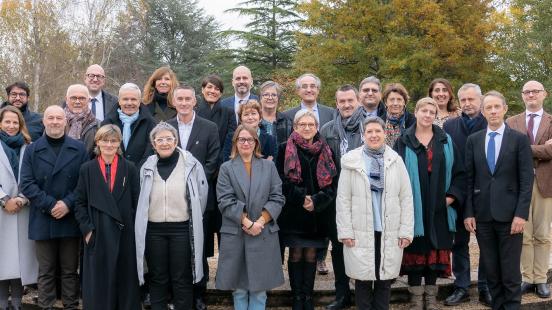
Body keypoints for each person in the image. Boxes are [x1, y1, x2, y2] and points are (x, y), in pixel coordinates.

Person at [464, 91, 533, 310]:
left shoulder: (519, 139)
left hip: (511, 217)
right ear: (483, 112)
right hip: (483, 216)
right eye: (488, 108)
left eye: (497, 107)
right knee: (492, 271)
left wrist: (521, 214)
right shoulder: (473, 140)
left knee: (510, 273)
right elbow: (469, 179)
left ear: (504, 109)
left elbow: (526, 180)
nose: (493, 111)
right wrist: (468, 212)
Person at [394, 97, 465, 310]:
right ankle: (416, 298)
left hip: (440, 206)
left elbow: (459, 173)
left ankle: (431, 298)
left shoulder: (445, 140)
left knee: (435, 251)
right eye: (423, 110)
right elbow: (395, 174)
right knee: (416, 249)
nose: (427, 115)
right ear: (415, 112)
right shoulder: (403, 140)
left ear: (436, 115)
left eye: (431, 112)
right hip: (412, 206)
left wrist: (450, 197)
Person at [337, 116, 414, 310]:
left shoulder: (395, 160)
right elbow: (343, 199)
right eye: (369, 131)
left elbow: (406, 197)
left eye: (377, 131)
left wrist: (406, 231)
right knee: (362, 280)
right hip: (360, 229)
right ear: (363, 135)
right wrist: (345, 230)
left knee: (384, 279)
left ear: (384, 133)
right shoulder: (351, 161)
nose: (373, 135)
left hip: (389, 229)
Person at [20, 105, 89, 310]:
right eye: (50, 118)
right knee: (46, 270)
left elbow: (83, 183)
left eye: (59, 118)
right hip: (43, 216)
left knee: (69, 270)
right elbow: (27, 183)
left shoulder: (79, 148)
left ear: (65, 121)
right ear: (44, 121)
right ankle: (46, 306)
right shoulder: (32, 149)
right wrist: (51, 205)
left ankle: (70, 305)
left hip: (69, 216)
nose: (55, 122)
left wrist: (67, 204)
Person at [135, 122, 208, 310]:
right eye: (160, 139)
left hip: (182, 229)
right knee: (158, 277)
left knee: (181, 277)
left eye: (169, 138)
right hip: (154, 230)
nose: (165, 143)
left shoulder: (191, 163)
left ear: (176, 141)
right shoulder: (146, 166)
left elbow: (201, 194)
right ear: (153, 143)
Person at [216, 124, 285, 310]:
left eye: (249, 139)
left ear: (256, 143)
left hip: (263, 232)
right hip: (236, 232)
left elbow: (278, 197)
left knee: (259, 290)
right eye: (241, 139)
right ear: (235, 143)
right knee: (239, 289)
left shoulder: (269, 166)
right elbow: (224, 200)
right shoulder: (226, 168)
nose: (245, 143)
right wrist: (246, 222)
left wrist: (261, 221)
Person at [73, 125, 141, 310]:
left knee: (124, 283)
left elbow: (137, 202)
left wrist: (132, 228)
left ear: (119, 143)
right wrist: (87, 230)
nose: (109, 144)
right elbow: (79, 202)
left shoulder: (130, 168)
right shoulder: (87, 169)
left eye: (113, 141)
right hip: (97, 233)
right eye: (105, 140)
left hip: (124, 234)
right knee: (99, 285)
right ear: (98, 142)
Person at [277, 109, 337, 310]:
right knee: (295, 254)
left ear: (317, 127)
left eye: (311, 124)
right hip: (293, 213)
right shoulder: (284, 148)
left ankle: (308, 297)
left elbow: (332, 183)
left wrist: (317, 200)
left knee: (311, 254)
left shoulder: (326, 150)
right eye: (303, 124)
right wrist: (301, 198)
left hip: (318, 214)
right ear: (295, 127)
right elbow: (280, 182)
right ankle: (296, 297)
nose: (307, 128)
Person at [443, 83, 491, 307]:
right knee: (459, 243)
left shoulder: (490, 122)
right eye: (463, 100)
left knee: (486, 243)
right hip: (459, 193)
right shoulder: (450, 126)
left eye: (472, 99)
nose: (467, 103)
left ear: (480, 100)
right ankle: (461, 286)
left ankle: (485, 286)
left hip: (486, 194)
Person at [319, 84, 365, 310]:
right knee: (338, 248)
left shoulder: (370, 127)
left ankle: (365, 293)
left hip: (365, 197)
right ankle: (342, 294)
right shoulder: (327, 130)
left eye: (350, 101)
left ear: (358, 101)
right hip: (337, 198)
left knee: (364, 245)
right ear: (336, 104)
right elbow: (323, 167)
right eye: (342, 102)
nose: (346, 105)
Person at [506, 81, 552, 298]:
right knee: (523, 233)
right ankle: (527, 277)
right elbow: (509, 151)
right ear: (522, 96)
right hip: (519, 185)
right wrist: (544, 149)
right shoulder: (511, 122)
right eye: (527, 92)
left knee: (543, 234)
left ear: (544, 94)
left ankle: (541, 279)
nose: (531, 94)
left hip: (546, 184)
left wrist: (523, 148)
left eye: (536, 91)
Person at [195, 74, 236, 309]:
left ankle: (227, 279)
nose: (212, 91)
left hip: (222, 177)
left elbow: (229, 141)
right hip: (199, 179)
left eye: (216, 88)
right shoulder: (196, 111)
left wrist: (219, 169)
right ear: (203, 89)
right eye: (209, 87)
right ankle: (199, 283)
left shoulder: (228, 113)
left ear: (221, 92)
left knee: (225, 232)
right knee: (201, 234)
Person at [0, 106, 38, 310]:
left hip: (23, 208)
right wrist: (4, 199)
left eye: (15, 122)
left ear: (21, 125)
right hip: (2, 209)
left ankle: (16, 303)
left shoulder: (29, 146)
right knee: (1, 257)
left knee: (20, 260)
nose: (11, 126)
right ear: (0, 123)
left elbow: (34, 177)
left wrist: (22, 199)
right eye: (7, 121)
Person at [102, 83, 156, 167]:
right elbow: (103, 151)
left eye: (133, 99)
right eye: (125, 99)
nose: (129, 103)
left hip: (141, 174)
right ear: (119, 101)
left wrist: (136, 173)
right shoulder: (107, 123)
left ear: (139, 101)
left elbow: (150, 152)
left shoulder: (150, 123)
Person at [64, 84, 100, 156]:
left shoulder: (98, 125)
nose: (77, 102)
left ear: (89, 100)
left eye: (82, 98)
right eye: (73, 98)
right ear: (66, 100)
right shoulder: (55, 123)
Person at [381, 83, 416, 147]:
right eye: (392, 99)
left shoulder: (414, 121)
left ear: (404, 102)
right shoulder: (379, 121)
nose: (395, 103)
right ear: (386, 102)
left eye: (399, 99)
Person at [259, 81, 293, 145]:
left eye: (274, 95)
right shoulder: (253, 119)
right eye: (266, 95)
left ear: (278, 98)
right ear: (260, 98)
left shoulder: (287, 121)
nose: (270, 98)